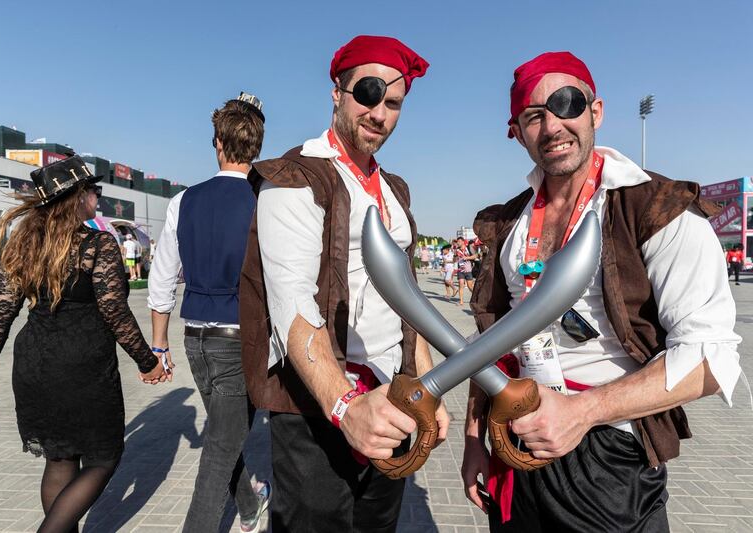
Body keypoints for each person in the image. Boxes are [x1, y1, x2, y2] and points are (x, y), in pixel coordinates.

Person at [460, 51, 742, 532]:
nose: (552, 127)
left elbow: (710, 360)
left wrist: (581, 412)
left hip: (609, 454)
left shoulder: (658, 207)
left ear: (596, 112)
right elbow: (490, 343)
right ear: (517, 131)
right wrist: (473, 441)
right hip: (517, 440)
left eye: (567, 104)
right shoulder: (509, 222)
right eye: (533, 116)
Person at [239, 35, 449, 532]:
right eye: (368, 93)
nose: (379, 112)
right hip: (318, 406)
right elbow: (291, 305)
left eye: (393, 102)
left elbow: (406, 299)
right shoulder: (295, 176)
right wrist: (344, 408)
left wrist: (426, 389)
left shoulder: (394, 190)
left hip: (390, 398)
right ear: (337, 92)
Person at [0, 156, 167, 532]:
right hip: (83, 366)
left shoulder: (21, 243)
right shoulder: (97, 244)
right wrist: (147, 361)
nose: (98, 199)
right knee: (105, 458)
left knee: (59, 461)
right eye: (94, 191)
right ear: (77, 197)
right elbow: (115, 312)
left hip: (34, 364)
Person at [147, 93, 270, 533]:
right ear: (256, 146)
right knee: (220, 449)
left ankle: (250, 505)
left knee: (224, 436)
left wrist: (158, 345)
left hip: (195, 335)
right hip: (241, 339)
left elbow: (162, 279)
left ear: (217, 142)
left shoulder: (184, 201)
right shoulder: (265, 201)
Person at [455, 237, 477, 306]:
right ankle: (461, 301)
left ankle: (476, 298)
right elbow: (454, 259)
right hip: (460, 270)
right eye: (457, 242)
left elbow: (475, 256)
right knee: (461, 284)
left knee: (470, 286)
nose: (457, 243)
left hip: (468, 269)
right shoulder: (457, 250)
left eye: (459, 241)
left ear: (462, 242)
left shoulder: (469, 248)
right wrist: (455, 258)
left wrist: (467, 257)